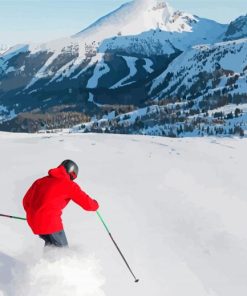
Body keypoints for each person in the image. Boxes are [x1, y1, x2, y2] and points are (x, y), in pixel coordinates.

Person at [22, 160, 99, 248]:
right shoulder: (69, 185)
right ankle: (58, 261)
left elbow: (26, 201)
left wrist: (35, 214)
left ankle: (46, 261)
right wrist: (95, 205)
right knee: (62, 251)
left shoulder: (40, 181)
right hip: (51, 222)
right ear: (72, 173)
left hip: (33, 222)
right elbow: (87, 204)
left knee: (51, 248)